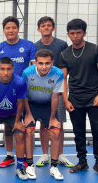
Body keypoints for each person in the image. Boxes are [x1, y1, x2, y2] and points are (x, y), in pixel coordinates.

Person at [58, 18, 98, 177]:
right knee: (78, 132)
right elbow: (63, 79)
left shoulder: (95, 50)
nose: (75, 36)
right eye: (72, 33)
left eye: (78, 33)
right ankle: (82, 162)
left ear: (84, 33)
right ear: (68, 34)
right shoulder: (64, 54)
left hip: (94, 99)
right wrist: (66, 100)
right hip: (75, 100)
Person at [0, 16, 37, 168]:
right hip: (4, 91)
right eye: (7, 28)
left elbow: (34, 69)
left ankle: (24, 156)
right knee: (8, 123)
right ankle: (10, 154)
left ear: (18, 29)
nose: (10, 30)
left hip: (24, 92)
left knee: (23, 123)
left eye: (13, 27)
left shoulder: (29, 46)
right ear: (4, 30)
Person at [34, 16, 73, 168]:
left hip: (58, 87)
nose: (46, 28)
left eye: (49, 25)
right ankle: (45, 154)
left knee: (58, 123)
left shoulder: (62, 44)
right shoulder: (35, 45)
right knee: (43, 123)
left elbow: (65, 67)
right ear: (38, 29)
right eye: (43, 26)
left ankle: (60, 154)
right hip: (40, 90)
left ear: (53, 28)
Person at [22, 49, 64, 180]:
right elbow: (23, 95)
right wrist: (28, 114)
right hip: (31, 105)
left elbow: (55, 97)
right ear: (35, 63)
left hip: (48, 105)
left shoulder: (58, 73)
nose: (44, 67)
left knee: (55, 132)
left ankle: (54, 167)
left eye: (47, 63)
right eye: (40, 63)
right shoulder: (27, 73)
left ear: (52, 62)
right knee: (29, 131)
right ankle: (29, 165)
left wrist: (52, 118)